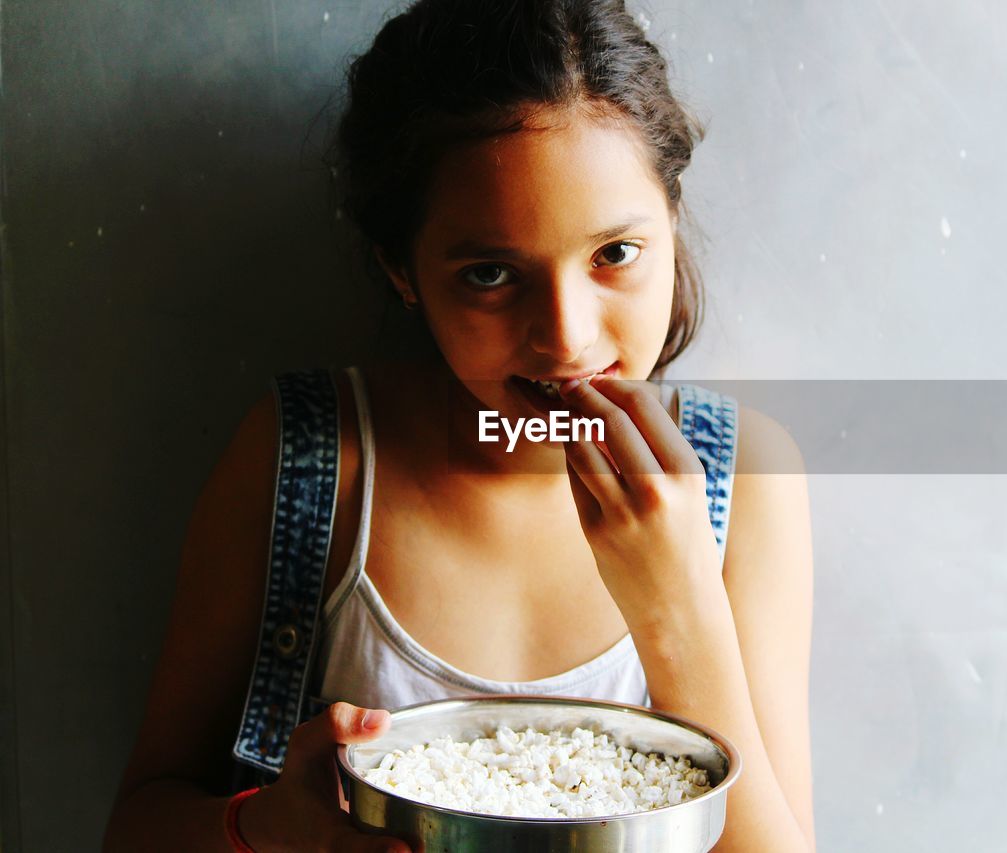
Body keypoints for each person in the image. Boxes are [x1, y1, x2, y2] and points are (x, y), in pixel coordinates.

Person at [103, 0, 815, 850]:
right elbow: (138, 823)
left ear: (669, 220)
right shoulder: (311, 461)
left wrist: (679, 604)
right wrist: (271, 831)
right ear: (402, 270)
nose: (566, 335)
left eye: (615, 254)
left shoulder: (748, 479)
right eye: (490, 273)